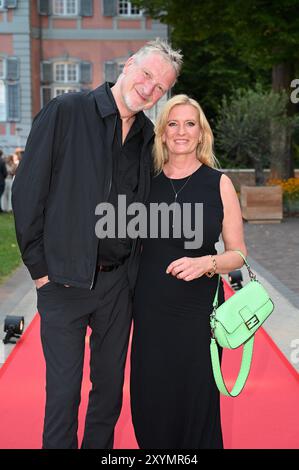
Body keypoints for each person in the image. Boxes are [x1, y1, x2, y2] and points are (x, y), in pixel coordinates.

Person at [12, 39, 183, 449]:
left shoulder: (145, 135)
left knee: (108, 394)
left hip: (117, 287)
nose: (149, 89)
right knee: (64, 394)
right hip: (63, 282)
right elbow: (27, 193)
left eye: (161, 87)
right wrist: (40, 272)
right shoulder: (68, 111)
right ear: (128, 66)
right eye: (146, 75)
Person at [130, 94, 248, 449]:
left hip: (199, 315)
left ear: (201, 134)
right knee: (150, 404)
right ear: (163, 134)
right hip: (149, 312)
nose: (181, 131)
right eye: (173, 124)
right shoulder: (143, 182)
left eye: (190, 124)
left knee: (198, 405)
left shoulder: (219, 183)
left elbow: (238, 254)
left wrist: (206, 263)